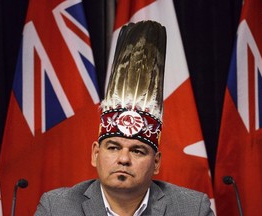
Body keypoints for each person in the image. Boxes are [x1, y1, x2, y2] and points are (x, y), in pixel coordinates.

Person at [35, 20, 214, 216]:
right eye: (113, 147)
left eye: (138, 151)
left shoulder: (192, 210)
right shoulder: (57, 208)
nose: (123, 159)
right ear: (95, 154)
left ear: (156, 163)